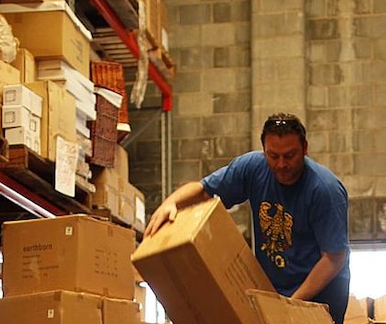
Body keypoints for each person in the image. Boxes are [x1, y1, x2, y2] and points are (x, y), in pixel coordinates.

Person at [144, 112, 351, 323]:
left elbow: (334, 259)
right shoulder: (252, 168)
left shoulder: (325, 190)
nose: (281, 164)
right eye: (273, 156)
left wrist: (289, 305)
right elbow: (204, 189)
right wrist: (171, 203)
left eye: (289, 156)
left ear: (305, 149)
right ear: (264, 151)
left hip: (320, 294)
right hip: (275, 288)